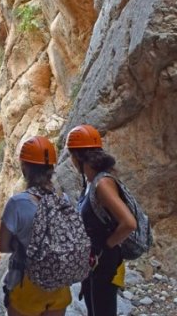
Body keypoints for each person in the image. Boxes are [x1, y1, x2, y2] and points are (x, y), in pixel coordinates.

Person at [66, 124, 137, 316]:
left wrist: (105, 247)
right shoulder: (91, 182)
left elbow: (129, 223)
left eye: (71, 155)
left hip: (104, 262)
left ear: (78, 157)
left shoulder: (102, 183)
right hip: (95, 262)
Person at [0, 136, 72, 316]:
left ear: (25, 168)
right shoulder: (64, 200)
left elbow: (3, 246)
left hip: (28, 284)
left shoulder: (17, 204)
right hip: (58, 284)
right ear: (52, 168)